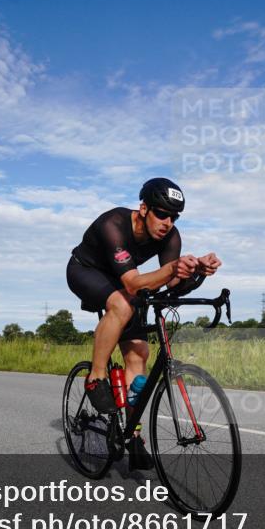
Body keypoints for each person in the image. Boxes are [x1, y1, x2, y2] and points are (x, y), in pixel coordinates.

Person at [66, 178, 221, 468]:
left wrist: (196, 269)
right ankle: (96, 377)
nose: (167, 222)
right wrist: (173, 269)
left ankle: (133, 434)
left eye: (173, 216)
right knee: (122, 304)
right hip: (85, 270)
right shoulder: (113, 223)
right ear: (143, 208)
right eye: (161, 213)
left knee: (138, 353)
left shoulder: (171, 236)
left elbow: (171, 281)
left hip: (123, 281)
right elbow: (134, 283)